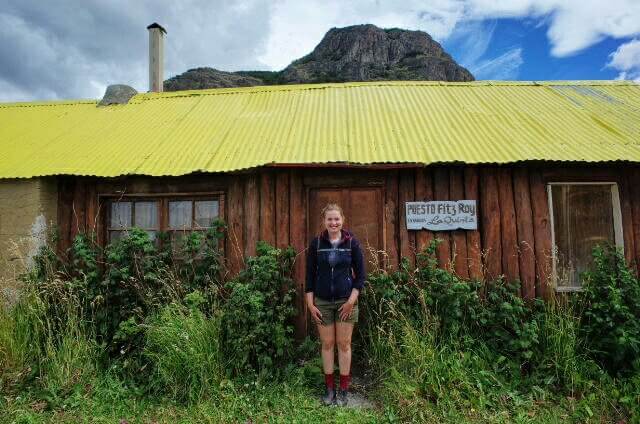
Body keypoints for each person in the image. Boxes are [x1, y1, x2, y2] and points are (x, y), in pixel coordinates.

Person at [305, 203, 365, 407]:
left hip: (346, 301)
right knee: (328, 345)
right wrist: (310, 304)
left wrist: (350, 302)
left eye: (336, 219)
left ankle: (344, 390)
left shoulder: (352, 243)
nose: (333, 222)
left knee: (344, 344)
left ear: (343, 220)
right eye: (329, 219)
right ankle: (329, 389)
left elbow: (361, 277)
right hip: (322, 302)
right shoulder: (316, 243)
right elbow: (309, 275)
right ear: (324, 221)